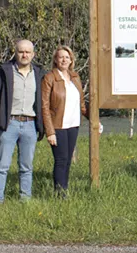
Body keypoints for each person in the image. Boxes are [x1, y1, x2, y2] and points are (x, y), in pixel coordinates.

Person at [0, 39, 46, 203]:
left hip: (30, 124)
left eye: (28, 52)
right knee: (2, 166)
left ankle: (25, 200)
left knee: (26, 167)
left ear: (33, 54)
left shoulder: (38, 73)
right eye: (21, 51)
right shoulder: (5, 71)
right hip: (9, 124)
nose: (24, 55)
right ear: (15, 53)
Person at [41, 45, 99, 196]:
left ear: (71, 60)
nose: (64, 60)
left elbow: (82, 105)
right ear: (55, 59)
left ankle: (64, 189)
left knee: (67, 160)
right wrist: (50, 131)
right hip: (57, 126)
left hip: (73, 125)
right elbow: (44, 106)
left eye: (67, 57)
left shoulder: (75, 77)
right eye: (61, 57)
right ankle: (60, 194)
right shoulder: (49, 78)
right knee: (61, 159)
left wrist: (94, 120)